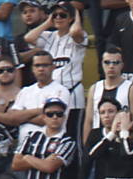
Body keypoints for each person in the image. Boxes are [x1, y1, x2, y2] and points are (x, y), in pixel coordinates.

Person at [23, 1, 86, 141]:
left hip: (73, 91)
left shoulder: (79, 35)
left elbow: (76, 31)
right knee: (53, 133)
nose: (58, 18)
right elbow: (28, 37)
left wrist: (75, 12)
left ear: (70, 18)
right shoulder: (48, 36)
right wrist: (48, 22)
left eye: (62, 15)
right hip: (53, 93)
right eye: (55, 15)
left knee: (74, 133)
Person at [83, 47, 133, 144]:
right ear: (101, 64)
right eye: (107, 62)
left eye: (116, 63)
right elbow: (89, 121)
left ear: (122, 65)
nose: (111, 66)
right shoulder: (94, 89)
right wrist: (86, 147)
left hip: (121, 143)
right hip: (98, 142)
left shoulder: (131, 89)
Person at [5, 50, 70, 140]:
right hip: (23, 146)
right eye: (37, 65)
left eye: (45, 65)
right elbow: (11, 117)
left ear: (53, 67)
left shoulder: (61, 91)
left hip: (49, 145)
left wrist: (21, 118)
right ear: (32, 68)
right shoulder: (25, 91)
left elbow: (45, 120)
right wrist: (38, 111)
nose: (41, 69)